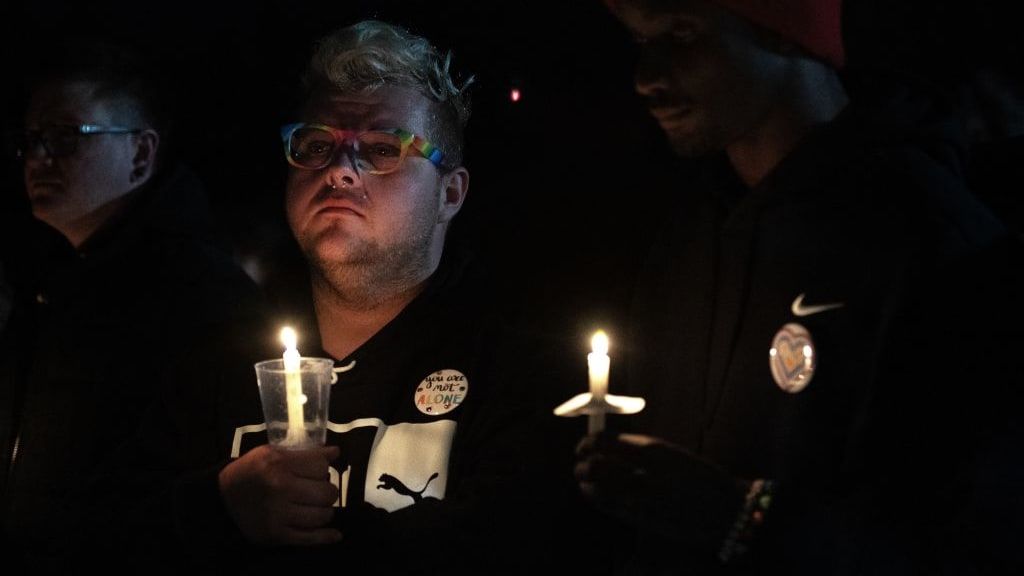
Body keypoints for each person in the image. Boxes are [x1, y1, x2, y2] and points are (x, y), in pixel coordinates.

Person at [574, 1, 1023, 574]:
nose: (648, 78)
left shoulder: (937, 244)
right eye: (641, 44)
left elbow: (978, 537)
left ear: (790, 36)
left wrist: (744, 517)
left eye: (683, 34)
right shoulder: (686, 237)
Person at [188, 20, 543, 575]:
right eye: (317, 145)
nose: (340, 171)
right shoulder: (213, 361)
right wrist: (217, 504)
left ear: (450, 193)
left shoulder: (516, 371)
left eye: (382, 148)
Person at [0, 36, 269, 571]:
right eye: (31, 139)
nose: (39, 157)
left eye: (66, 136)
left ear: (141, 152)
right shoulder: (58, 281)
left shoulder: (199, 296)